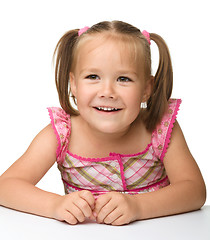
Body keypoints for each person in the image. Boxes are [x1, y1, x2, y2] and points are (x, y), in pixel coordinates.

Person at [0, 20, 206, 226]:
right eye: (93, 76)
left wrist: (138, 207)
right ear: (73, 84)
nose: (107, 92)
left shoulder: (160, 129)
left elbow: (194, 190)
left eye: (123, 79)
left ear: (146, 89)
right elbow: (6, 186)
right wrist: (55, 205)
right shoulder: (61, 134)